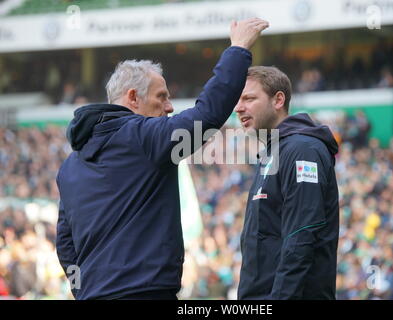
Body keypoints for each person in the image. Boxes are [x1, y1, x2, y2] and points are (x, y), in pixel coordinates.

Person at [55, 18, 269, 300]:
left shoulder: (69, 166)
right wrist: (238, 49)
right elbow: (206, 117)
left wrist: (81, 289)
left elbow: (66, 247)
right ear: (133, 97)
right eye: (162, 97)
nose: (169, 107)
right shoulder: (143, 137)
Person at [234, 66, 339, 299]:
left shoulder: (302, 149)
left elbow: (302, 235)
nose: (238, 107)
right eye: (237, 100)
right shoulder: (274, 152)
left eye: (249, 98)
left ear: (278, 100)